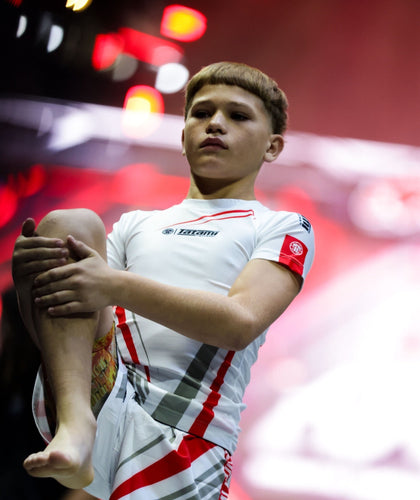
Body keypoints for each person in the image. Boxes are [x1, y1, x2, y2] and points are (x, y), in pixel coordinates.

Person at [12, 61, 315, 499]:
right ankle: (76, 427)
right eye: (202, 113)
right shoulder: (135, 224)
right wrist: (30, 284)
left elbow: (240, 323)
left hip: (188, 434)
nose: (215, 124)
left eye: (237, 115)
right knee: (68, 224)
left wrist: (113, 284)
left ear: (273, 146)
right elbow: (62, 334)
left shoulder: (281, 226)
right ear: (183, 134)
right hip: (104, 396)